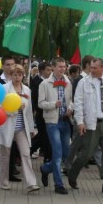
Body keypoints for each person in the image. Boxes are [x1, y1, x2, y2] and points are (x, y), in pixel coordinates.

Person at [66, 58, 103, 195]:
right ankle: (72, 174)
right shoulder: (84, 83)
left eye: (95, 68)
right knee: (86, 154)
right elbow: (78, 103)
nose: (92, 70)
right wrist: (80, 122)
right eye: (91, 67)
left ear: (102, 68)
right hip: (91, 124)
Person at [0, 64, 41, 193]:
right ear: (11, 75)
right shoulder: (4, 89)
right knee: (5, 155)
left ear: (23, 76)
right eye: (15, 74)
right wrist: (15, 109)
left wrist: (31, 128)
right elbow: (0, 109)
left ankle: (31, 183)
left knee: (26, 153)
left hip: (22, 127)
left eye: (20, 75)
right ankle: (4, 182)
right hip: (7, 126)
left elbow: (29, 112)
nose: (17, 77)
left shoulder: (27, 90)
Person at [38, 57, 73, 195]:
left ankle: (46, 168)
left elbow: (71, 100)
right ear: (53, 67)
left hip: (65, 120)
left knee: (66, 153)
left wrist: (71, 107)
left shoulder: (68, 82)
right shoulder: (45, 84)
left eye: (64, 67)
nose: (62, 69)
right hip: (52, 122)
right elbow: (40, 103)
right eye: (60, 67)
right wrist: (53, 104)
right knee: (57, 153)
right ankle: (59, 184)